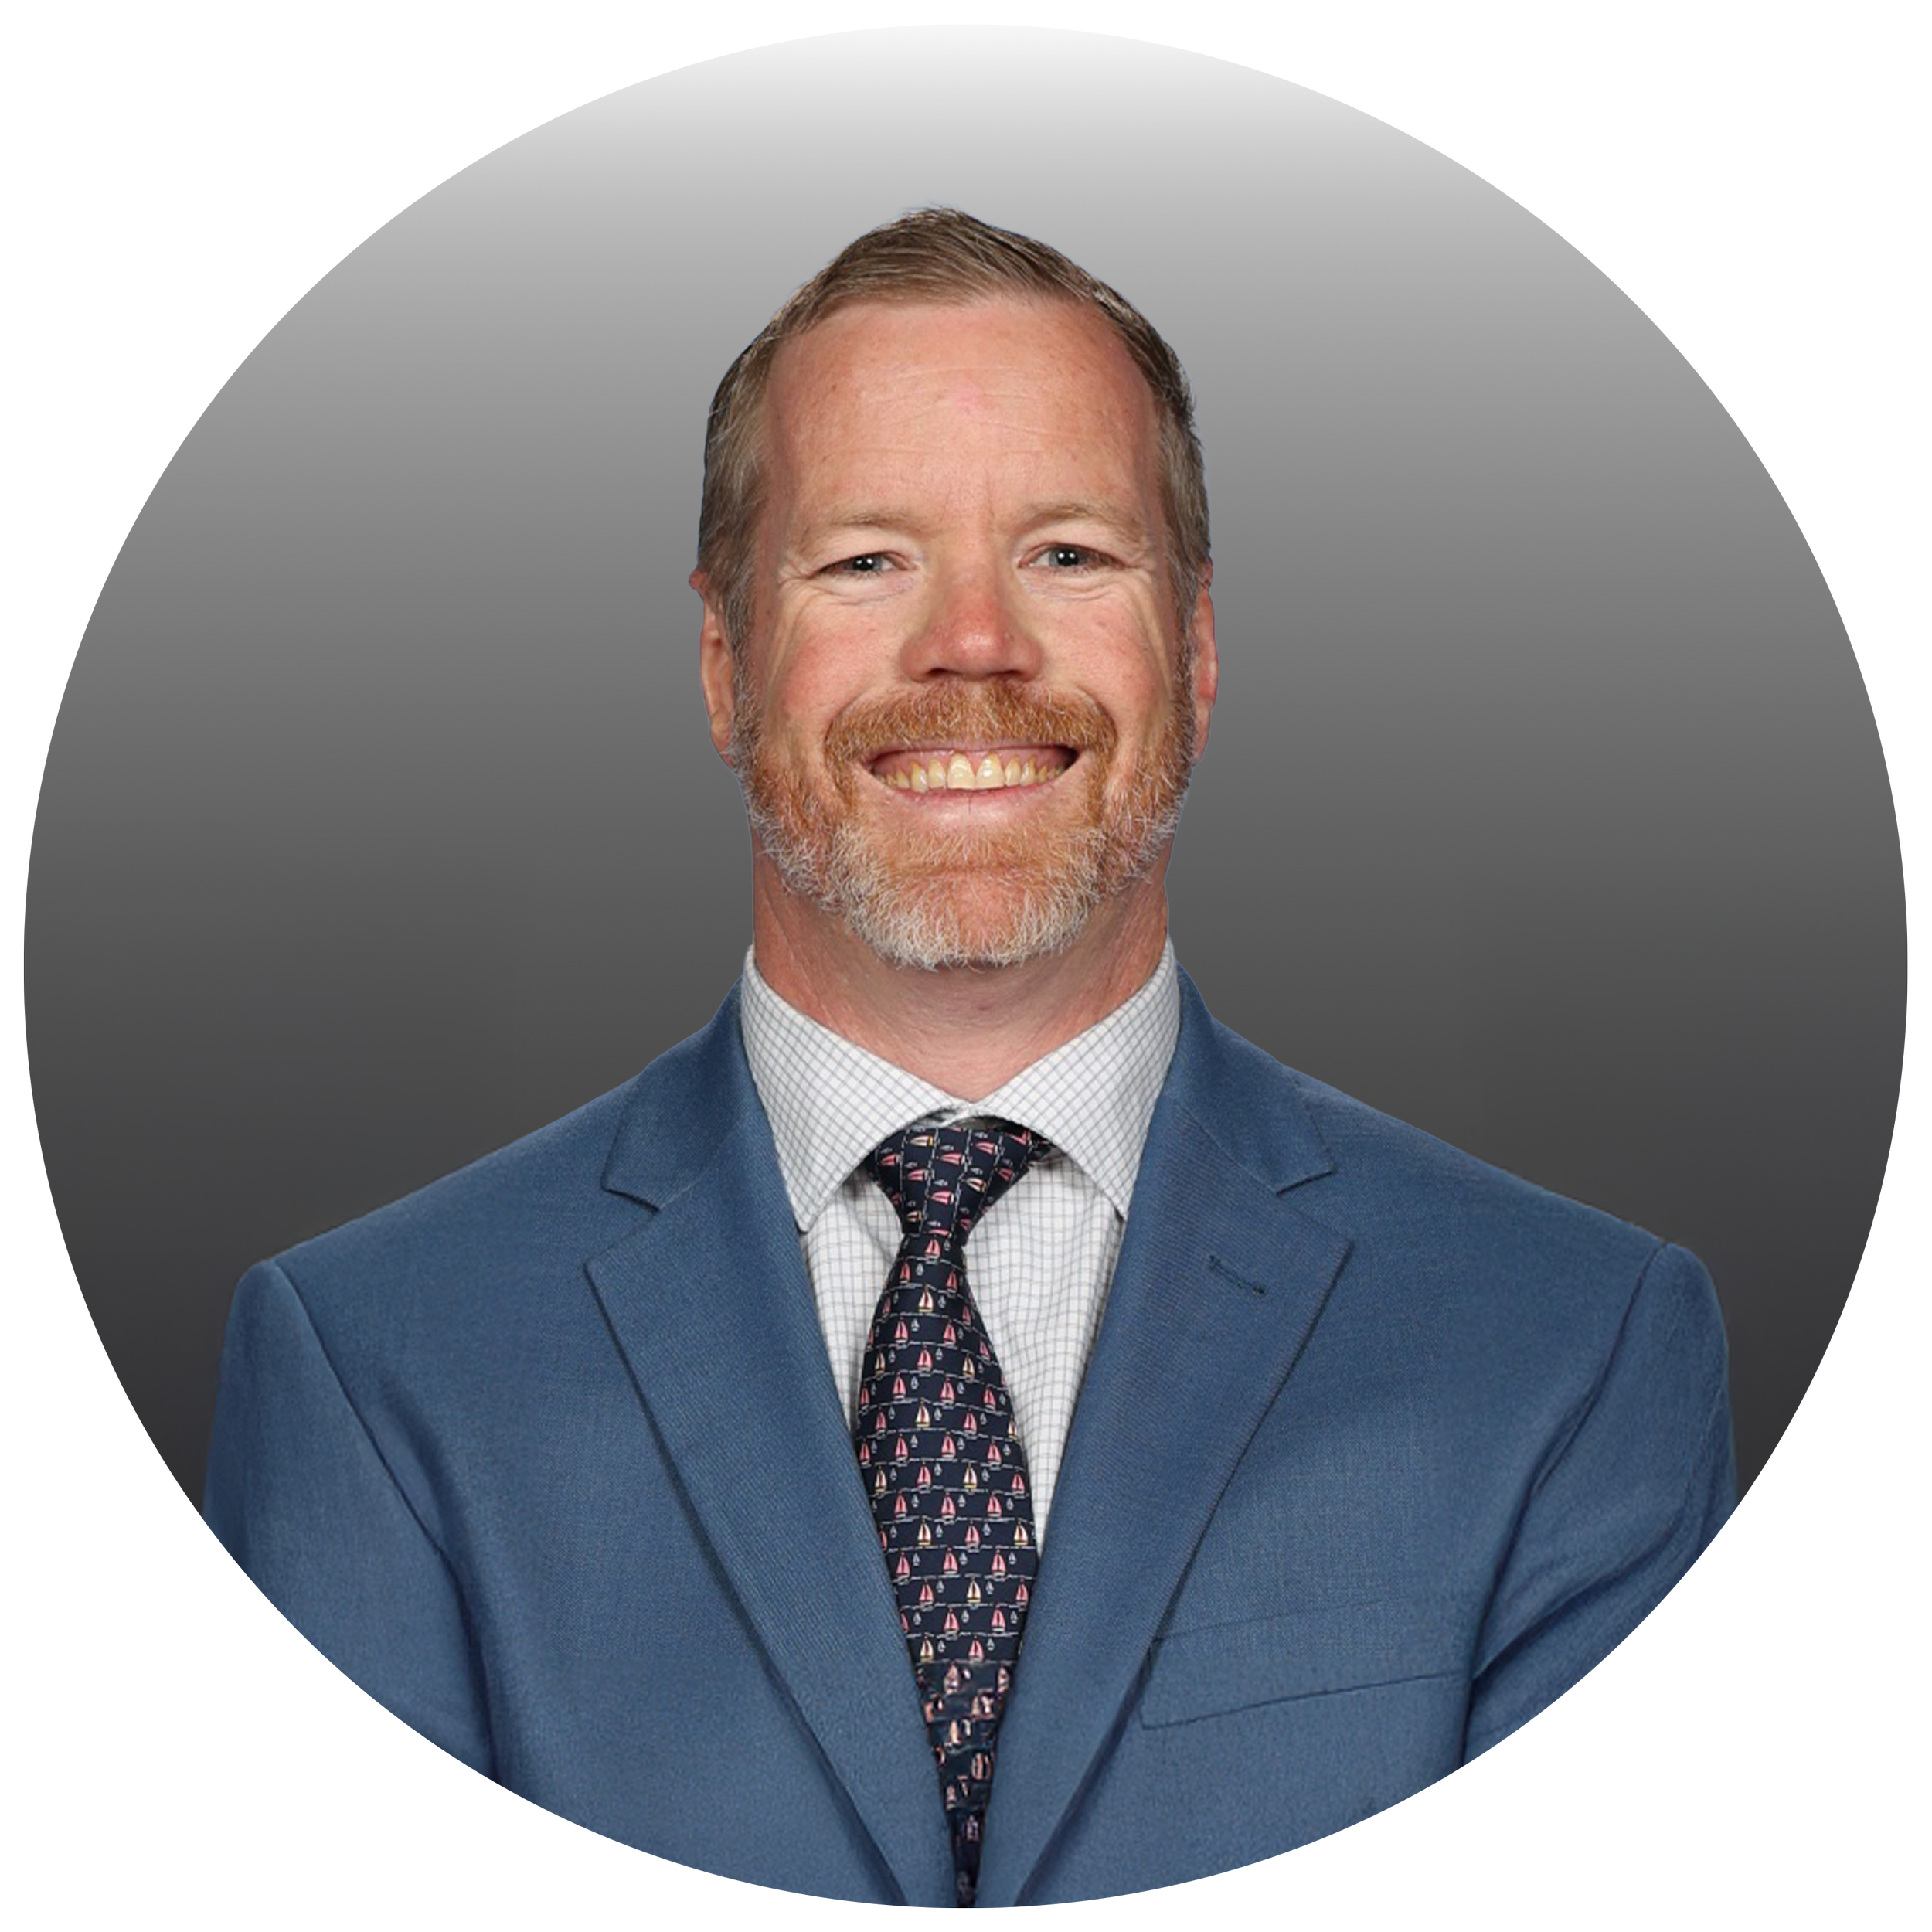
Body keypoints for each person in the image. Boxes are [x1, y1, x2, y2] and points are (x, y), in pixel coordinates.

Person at [189, 208, 1781, 1906]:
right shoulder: (376, 1369)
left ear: (1198, 649)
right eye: (866, 560)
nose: (973, 642)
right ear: (724, 665)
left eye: (1069, 555)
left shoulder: (1567, 1348)